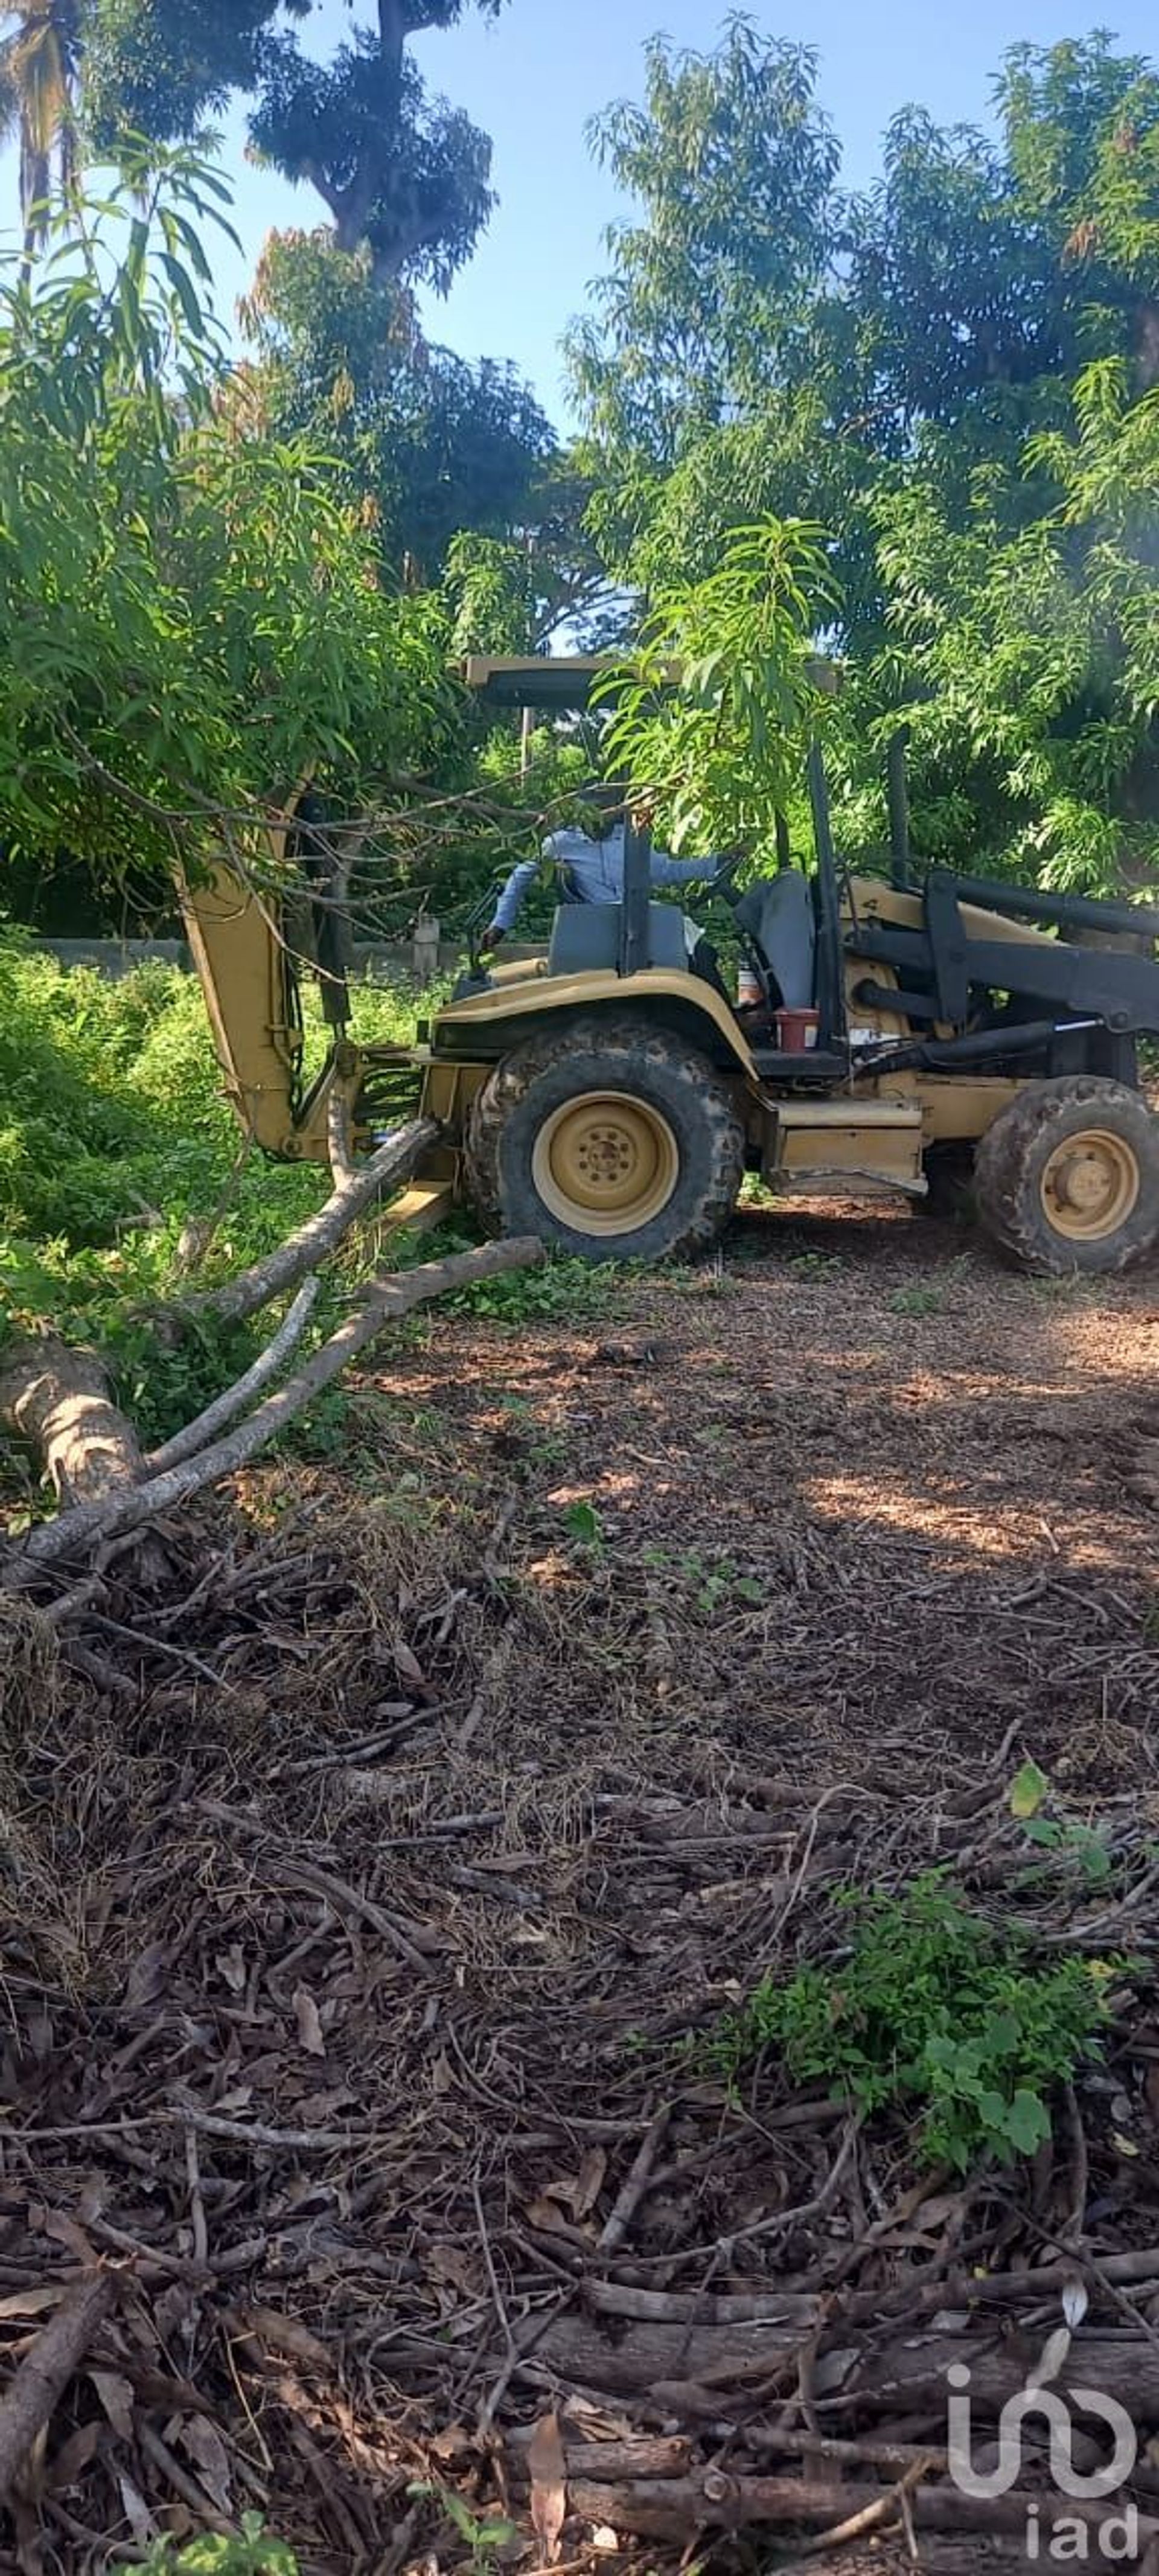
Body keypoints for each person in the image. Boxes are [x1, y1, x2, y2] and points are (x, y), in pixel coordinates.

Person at [485, 790, 737, 990]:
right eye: (595, 812)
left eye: (609, 811)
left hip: (639, 917)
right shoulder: (561, 843)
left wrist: (717, 862)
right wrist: (500, 924)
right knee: (696, 950)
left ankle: (730, 1018)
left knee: (703, 952)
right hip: (598, 924)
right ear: (581, 814)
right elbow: (521, 876)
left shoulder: (631, 841)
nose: (602, 818)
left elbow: (669, 871)